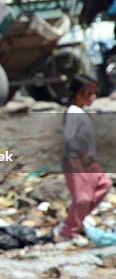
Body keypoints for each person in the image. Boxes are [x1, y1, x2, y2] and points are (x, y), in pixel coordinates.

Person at [54, 75, 111, 244]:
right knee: (82, 198)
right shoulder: (72, 112)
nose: (93, 97)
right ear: (77, 93)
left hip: (87, 161)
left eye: (94, 93)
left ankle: (74, 222)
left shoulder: (80, 112)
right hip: (76, 161)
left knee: (104, 184)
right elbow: (70, 138)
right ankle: (68, 231)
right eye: (89, 93)